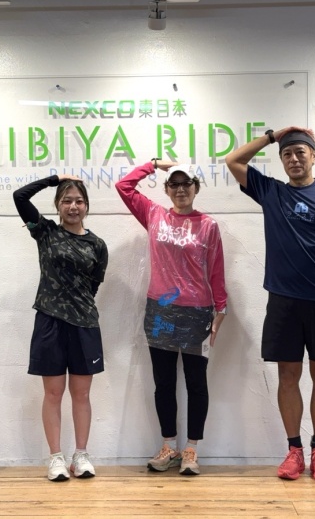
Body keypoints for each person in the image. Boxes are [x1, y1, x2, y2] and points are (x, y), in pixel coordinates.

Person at [225, 127, 315, 482]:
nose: (294, 158)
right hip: (283, 301)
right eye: (287, 154)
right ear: (281, 160)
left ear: (313, 156)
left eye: (301, 152)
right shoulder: (272, 192)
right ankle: (294, 451)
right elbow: (233, 160)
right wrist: (272, 136)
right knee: (288, 376)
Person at [116, 160, 227, 476]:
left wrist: (221, 309)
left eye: (186, 183)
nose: (180, 189)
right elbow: (124, 187)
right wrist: (154, 165)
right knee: (163, 383)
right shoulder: (154, 215)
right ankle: (169, 446)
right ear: (166, 189)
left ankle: (191, 449)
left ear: (196, 188)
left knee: (196, 382)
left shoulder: (208, 225)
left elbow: (216, 269)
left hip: (197, 313)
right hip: (160, 312)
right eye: (174, 184)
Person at [13, 175, 108, 482]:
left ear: (87, 206)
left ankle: (81, 456)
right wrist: (55, 179)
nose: (73, 206)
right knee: (53, 393)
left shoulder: (97, 245)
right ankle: (56, 458)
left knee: (82, 394)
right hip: (49, 322)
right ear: (57, 205)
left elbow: (93, 285)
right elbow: (20, 196)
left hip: (84, 324)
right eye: (66, 201)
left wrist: (77, 306)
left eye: (79, 201)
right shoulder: (45, 232)